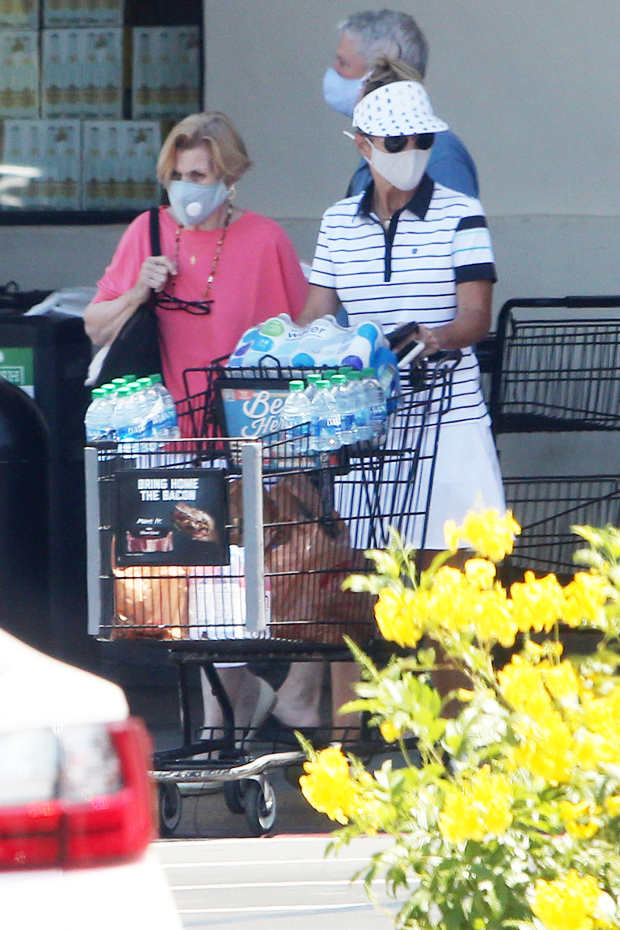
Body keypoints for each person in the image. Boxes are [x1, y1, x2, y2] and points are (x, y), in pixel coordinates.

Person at [83, 111, 309, 737]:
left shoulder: (264, 240)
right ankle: (233, 713)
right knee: (186, 596)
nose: (188, 188)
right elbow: (94, 326)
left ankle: (217, 730)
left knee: (227, 592)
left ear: (230, 178)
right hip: (165, 442)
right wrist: (138, 290)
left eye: (201, 175)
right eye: (178, 175)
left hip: (240, 439)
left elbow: (297, 335)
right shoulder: (148, 233)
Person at [297, 62, 505, 721]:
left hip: (448, 423)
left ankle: (464, 748)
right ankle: (349, 747)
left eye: (423, 140)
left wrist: (433, 337)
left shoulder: (462, 214)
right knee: (355, 598)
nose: (412, 152)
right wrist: (290, 348)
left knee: (454, 600)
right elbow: (316, 313)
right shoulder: (338, 222)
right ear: (362, 144)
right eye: (396, 142)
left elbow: (477, 315)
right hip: (368, 428)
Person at [323, 9, 480, 199]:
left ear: (380, 72)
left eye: (344, 63)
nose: (334, 71)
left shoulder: (438, 158)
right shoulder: (378, 143)